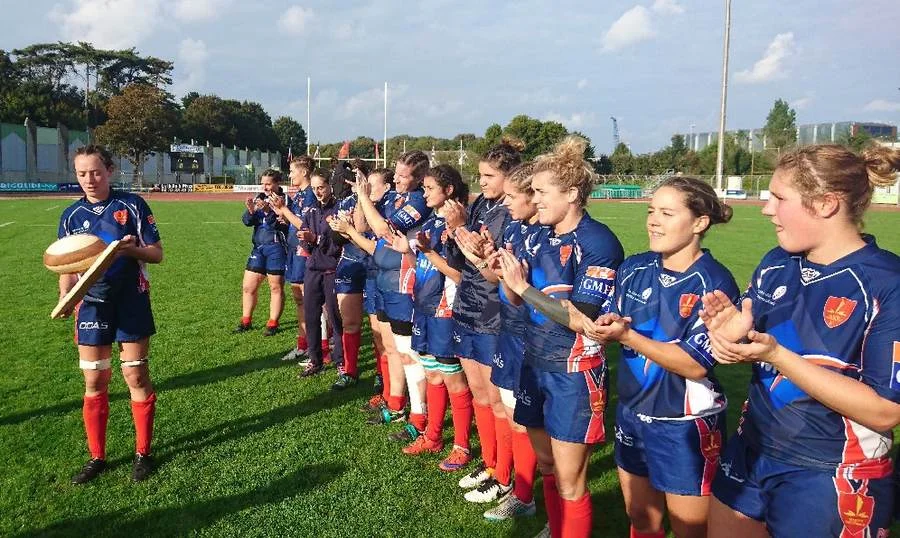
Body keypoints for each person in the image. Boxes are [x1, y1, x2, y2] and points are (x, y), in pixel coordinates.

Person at [698, 144, 900, 538]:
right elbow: (751, 339)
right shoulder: (777, 263)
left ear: (825, 204)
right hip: (751, 449)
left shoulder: (887, 283)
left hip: (830, 472)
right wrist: (729, 338)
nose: (766, 209)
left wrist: (777, 354)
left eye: (778, 198)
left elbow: (883, 412)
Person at [580, 177, 737, 538]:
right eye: (652, 211)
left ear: (700, 223)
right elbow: (611, 315)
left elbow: (696, 363)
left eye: (667, 213)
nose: (653, 221)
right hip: (632, 412)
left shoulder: (714, 283)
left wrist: (628, 335)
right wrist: (609, 323)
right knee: (640, 518)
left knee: (689, 529)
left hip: (684, 423)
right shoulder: (634, 268)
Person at [497, 136, 624, 538]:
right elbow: (515, 302)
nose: (534, 201)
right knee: (548, 465)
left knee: (571, 480)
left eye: (540, 192)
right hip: (533, 361)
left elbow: (582, 318)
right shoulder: (538, 236)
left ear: (571, 193)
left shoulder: (597, 242)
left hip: (574, 371)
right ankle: (557, 528)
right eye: (531, 192)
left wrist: (522, 287)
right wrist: (502, 273)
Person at [57, 145, 163, 484]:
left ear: (111, 170)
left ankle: (143, 453)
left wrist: (127, 249)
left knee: (135, 376)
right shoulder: (71, 216)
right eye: (82, 173)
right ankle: (97, 457)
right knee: (94, 379)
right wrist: (66, 295)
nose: (90, 179)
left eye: (96, 172)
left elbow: (157, 254)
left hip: (131, 299)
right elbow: (67, 265)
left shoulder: (131, 205)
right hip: (92, 304)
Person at [443, 139, 519, 495]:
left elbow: (494, 267)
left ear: (510, 176)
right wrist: (455, 233)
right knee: (478, 392)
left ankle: (505, 475)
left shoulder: (511, 215)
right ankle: (490, 463)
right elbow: (463, 260)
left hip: (492, 311)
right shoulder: (482, 206)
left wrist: (461, 229)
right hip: (468, 304)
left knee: (496, 396)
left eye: (489, 175)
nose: (483, 182)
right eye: (480, 175)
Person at [388, 164, 476, 473]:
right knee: (433, 373)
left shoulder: (459, 223)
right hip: (424, 305)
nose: (423, 194)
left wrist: (428, 252)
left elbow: (461, 274)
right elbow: (421, 261)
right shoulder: (433, 219)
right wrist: (408, 251)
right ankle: (433, 435)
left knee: (454, 379)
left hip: (445, 309)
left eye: (428, 189)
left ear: (448, 190)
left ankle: (462, 445)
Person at [353, 151, 433, 435]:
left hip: (405, 282)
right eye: (396, 173)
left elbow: (384, 230)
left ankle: (419, 416)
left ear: (420, 178)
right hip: (385, 280)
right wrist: (362, 197)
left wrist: (363, 197)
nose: (396, 179)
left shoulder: (419, 200)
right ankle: (398, 404)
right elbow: (363, 226)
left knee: (410, 354)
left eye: (402, 175)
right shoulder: (392, 198)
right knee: (393, 349)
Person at [481, 162, 544, 520]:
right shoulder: (517, 231)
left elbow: (530, 294)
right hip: (508, 327)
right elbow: (505, 286)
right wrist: (484, 258)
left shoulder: (550, 239)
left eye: (512, 197)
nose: (506, 204)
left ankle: (524, 495)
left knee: (525, 419)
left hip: (529, 336)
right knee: (507, 410)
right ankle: (515, 487)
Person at [273, 171, 344, 379]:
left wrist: (316, 238)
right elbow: (303, 235)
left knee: (335, 317)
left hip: (332, 269)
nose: (318, 192)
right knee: (311, 316)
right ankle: (315, 360)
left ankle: (340, 361)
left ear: (330, 186)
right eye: (314, 189)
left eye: (321, 187)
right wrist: (307, 239)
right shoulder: (312, 210)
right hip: (312, 269)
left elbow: (339, 241)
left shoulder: (339, 209)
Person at [234, 169, 288, 336]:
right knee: (248, 287)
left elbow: (283, 225)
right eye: (263, 183)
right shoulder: (260, 197)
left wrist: (267, 212)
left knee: (275, 287)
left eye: (268, 183)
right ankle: (246, 321)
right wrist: (250, 211)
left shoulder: (285, 201)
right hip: (259, 247)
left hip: (277, 248)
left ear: (277, 183)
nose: (264, 187)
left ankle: (272, 323)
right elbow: (247, 222)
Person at [281, 156, 318, 361]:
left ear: (304, 172)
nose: (290, 174)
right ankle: (306, 342)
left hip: (304, 251)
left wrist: (284, 211)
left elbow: (304, 225)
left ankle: (314, 344)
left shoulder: (311, 195)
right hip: (294, 250)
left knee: (309, 300)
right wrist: (283, 214)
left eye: (293, 171)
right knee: (300, 299)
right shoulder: (301, 195)